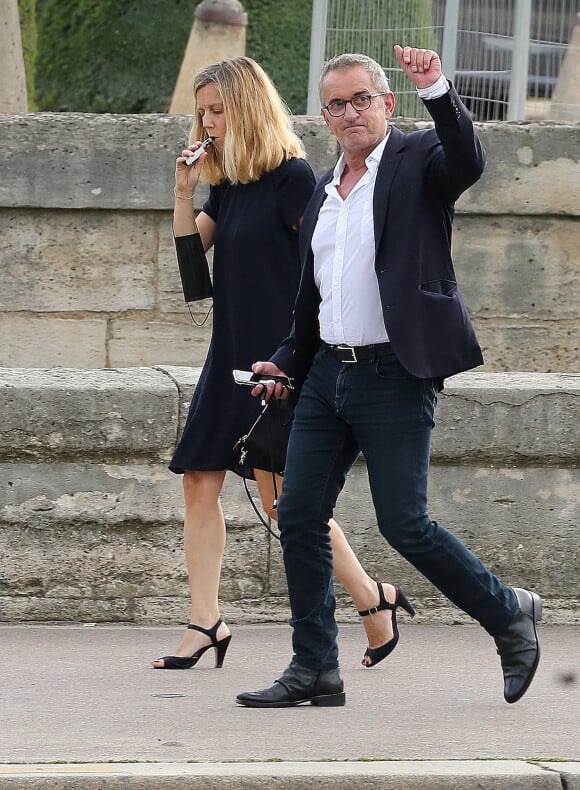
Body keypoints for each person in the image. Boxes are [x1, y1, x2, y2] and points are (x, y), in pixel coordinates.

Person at [236, 45, 542, 708]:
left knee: (404, 523)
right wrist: (284, 363)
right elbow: (312, 305)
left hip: (397, 373)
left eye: (362, 100)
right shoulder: (323, 191)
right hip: (326, 378)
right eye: (338, 104)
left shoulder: (415, 162)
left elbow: (468, 159)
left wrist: (438, 87)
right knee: (299, 514)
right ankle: (315, 666)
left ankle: (508, 614)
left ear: (387, 105)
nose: (351, 113)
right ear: (324, 115)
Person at [152, 56, 415, 671]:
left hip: (278, 365)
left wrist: (305, 362)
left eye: (219, 110)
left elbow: (320, 273)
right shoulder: (231, 186)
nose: (209, 123)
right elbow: (195, 276)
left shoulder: (295, 178)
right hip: (229, 360)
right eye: (203, 113)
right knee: (199, 480)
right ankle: (205, 620)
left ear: (247, 108)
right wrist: (184, 193)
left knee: (283, 504)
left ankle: (372, 597)